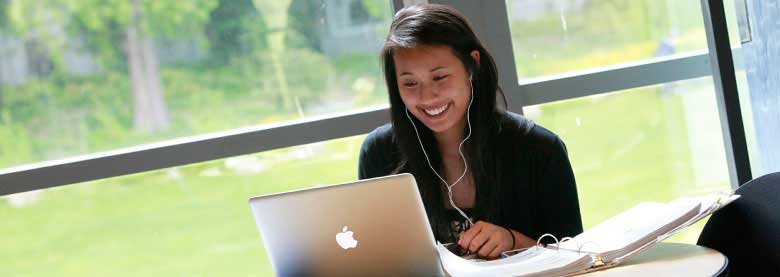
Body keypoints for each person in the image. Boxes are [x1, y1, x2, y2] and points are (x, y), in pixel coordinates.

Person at [358, 4, 582, 260]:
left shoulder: (540, 149)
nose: (427, 97)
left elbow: (576, 259)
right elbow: (375, 259)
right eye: (410, 83)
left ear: (471, 66)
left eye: (439, 77)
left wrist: (513, 241)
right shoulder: (379, 154)